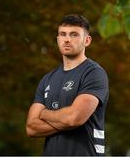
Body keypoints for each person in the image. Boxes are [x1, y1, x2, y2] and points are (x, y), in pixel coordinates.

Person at [26, 14, 109, 156]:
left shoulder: (94, 73)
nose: (67, 39)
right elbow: (31, 127)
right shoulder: (47, 79)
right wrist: (65, 120)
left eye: (74, 34)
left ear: (87, 40)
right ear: (58, 39)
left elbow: (74, 118)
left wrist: (44, 113)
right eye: (62, 34)